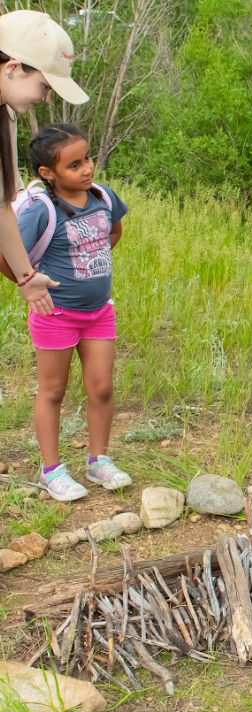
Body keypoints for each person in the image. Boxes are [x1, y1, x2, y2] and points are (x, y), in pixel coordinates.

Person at [21, 124, 131, 500]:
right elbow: (9, 255)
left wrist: (88, 263)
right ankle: (50, 471)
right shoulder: (42, 210)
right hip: (56, 313)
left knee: (101, 387)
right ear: (48, 174)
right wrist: (28, 284)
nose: (86, 168)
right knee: (53, 390)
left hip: (99, 312)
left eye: (87, 158)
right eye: (74, 165)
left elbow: (112, 233)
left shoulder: (102, 195)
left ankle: (98, 459)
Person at [0, 10, 89, 312]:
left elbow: (2, 207)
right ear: (12, 67)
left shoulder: (6, 114)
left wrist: (27, 279)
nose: (47, 99)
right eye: (46, 86)